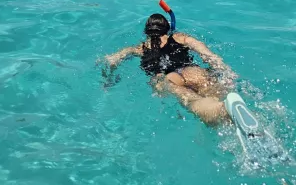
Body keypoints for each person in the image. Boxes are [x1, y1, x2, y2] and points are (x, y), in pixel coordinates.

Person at [101, 12, 236, 126]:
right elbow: (207, 54)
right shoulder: (179, 37)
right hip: (192, 72)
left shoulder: (139, 48)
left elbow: (111, 59)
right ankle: (227, 110)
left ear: (147, 31)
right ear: (167, 29)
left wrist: (108, 78)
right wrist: (224, 69)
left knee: (193, 101)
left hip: (168, 80)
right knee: (218, 94)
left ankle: (219, 111)